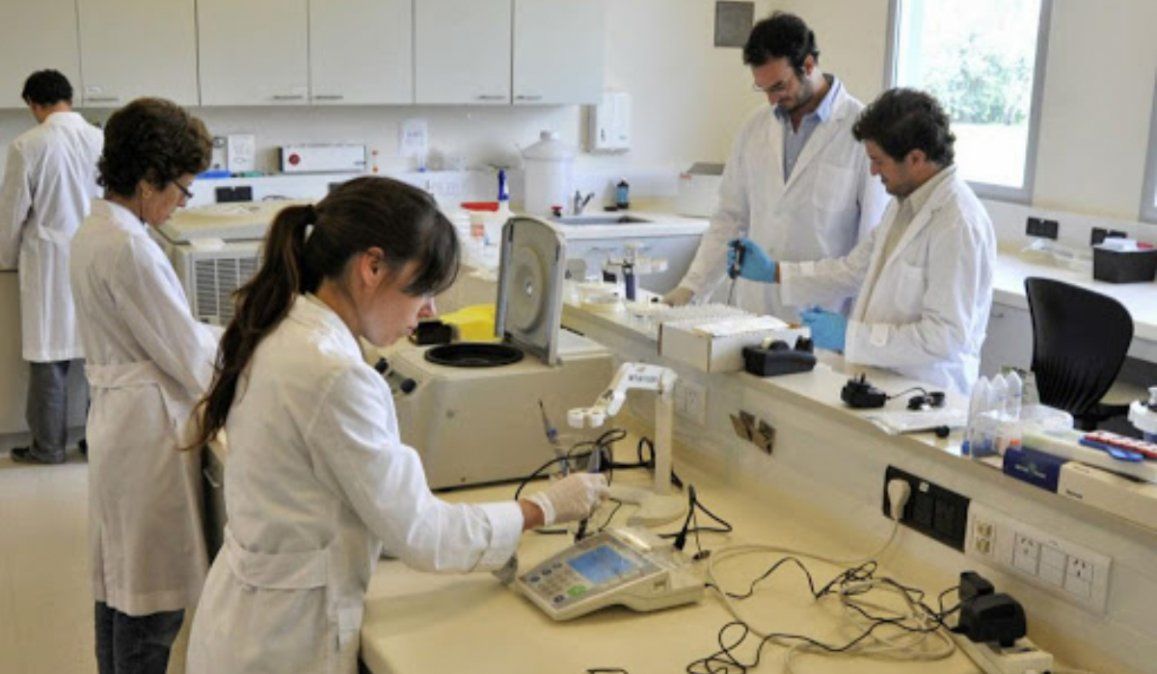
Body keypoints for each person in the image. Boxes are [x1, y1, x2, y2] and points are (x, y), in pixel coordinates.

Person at [185, 176, 607, 674]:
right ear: (372, 267)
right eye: (422, 288)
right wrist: (542, 508)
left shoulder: (286, 324)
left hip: (249, 620)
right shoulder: (333, 373)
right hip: (284, 640)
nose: (430, 310)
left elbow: (365, 508)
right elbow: (422, 533)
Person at [69, 98, 218, 674]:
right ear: (149, 177)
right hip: (145, 432)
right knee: (149, 609)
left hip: (120, 420)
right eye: (181, 188)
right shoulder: (131, 247)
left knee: (120, 589)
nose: (182, 202)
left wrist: (213, 336)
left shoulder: (98, 228)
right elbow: (187, 357)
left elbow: (168, 333)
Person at [728, 88, 996, 394]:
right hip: (882, 384)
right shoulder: (903, 205)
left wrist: (851, 337)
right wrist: (775, 272)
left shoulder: (957, 223)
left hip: (929, 395)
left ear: (916, 158)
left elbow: (945, 337)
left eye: (879, 161)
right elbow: (853, 270)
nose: (872, 171)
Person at [664, 12, 887, 318]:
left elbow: (871, 245)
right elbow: (730, 218)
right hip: (754, 311)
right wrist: (692, 288)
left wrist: (856, 329)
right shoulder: (755, 128)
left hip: (822, 314)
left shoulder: (861, 133)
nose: (771, 100)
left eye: (779, 86)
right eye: (764, 89)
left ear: (808, 65)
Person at [0, 70, 103, 464]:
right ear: (69, 99)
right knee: (99, 356)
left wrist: (6, 259)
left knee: (49, 356)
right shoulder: (101, 140)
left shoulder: (28, 144)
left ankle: (48, 448)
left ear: (33, 103)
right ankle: (97, 443)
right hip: (96, 255)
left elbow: (11, 214)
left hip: (49, 263)